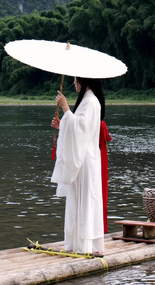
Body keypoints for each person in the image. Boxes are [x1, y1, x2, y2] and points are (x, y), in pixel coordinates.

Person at [50, 76, 106, 254]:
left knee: (84, 201)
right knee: (81, 200)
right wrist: (63, 126)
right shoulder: (88, 100)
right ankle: (78, 244)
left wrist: (65, 108)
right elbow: (81, 129)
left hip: (85, 160)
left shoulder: (90, 101)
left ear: (82, 81)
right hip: (85, 158)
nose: (74, 83)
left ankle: (84, 246)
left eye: (75, 80)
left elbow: (81, 128)